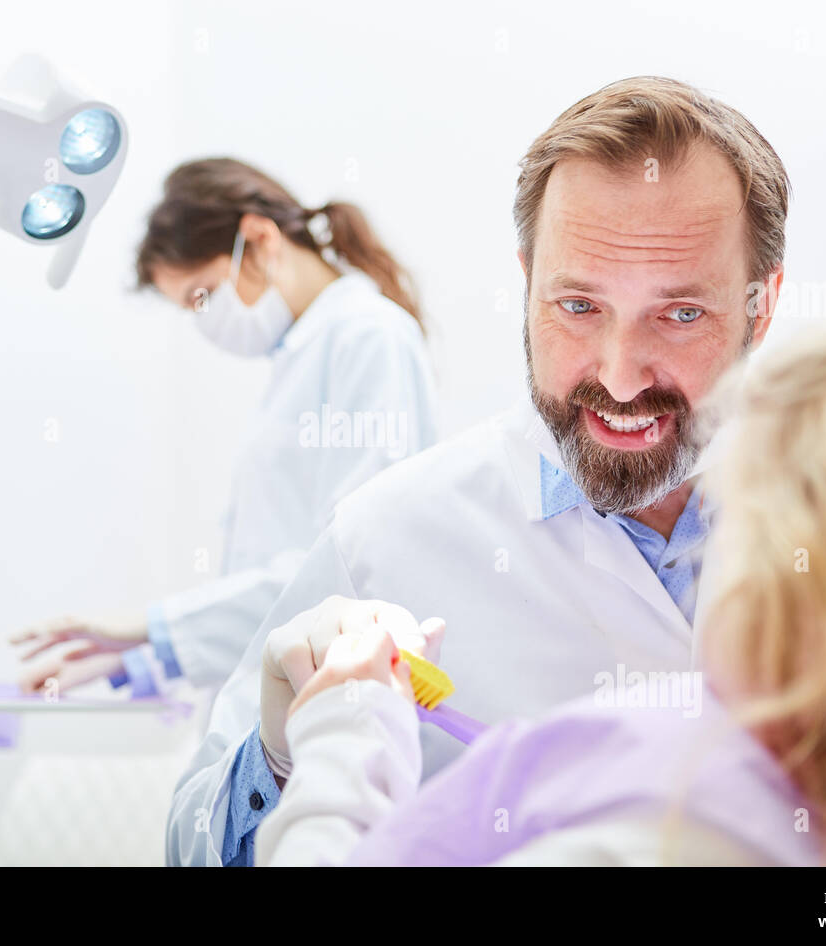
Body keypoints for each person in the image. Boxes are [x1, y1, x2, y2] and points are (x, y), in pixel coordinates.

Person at [167, 76, 791, 866]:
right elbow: (191, 844)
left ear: (761, 307)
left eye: (681, 313)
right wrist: (278, 755)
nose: (623, 375)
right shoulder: (384, 540)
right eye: (579, 306)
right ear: (528, 280)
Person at [255, 311, 826, 866]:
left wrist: (344, 747)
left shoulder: (682, 838)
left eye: (739, 510)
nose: (621, 377)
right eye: (578, 305)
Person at [10, 159, 438, 695]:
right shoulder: (303, 357)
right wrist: (139, 659)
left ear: (258, 239)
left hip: (332, 703)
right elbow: (283, 568)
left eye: (202, 295)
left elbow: (351, 566)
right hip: (289, 693)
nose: (205, 322)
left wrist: (158, 628)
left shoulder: (368, 338)